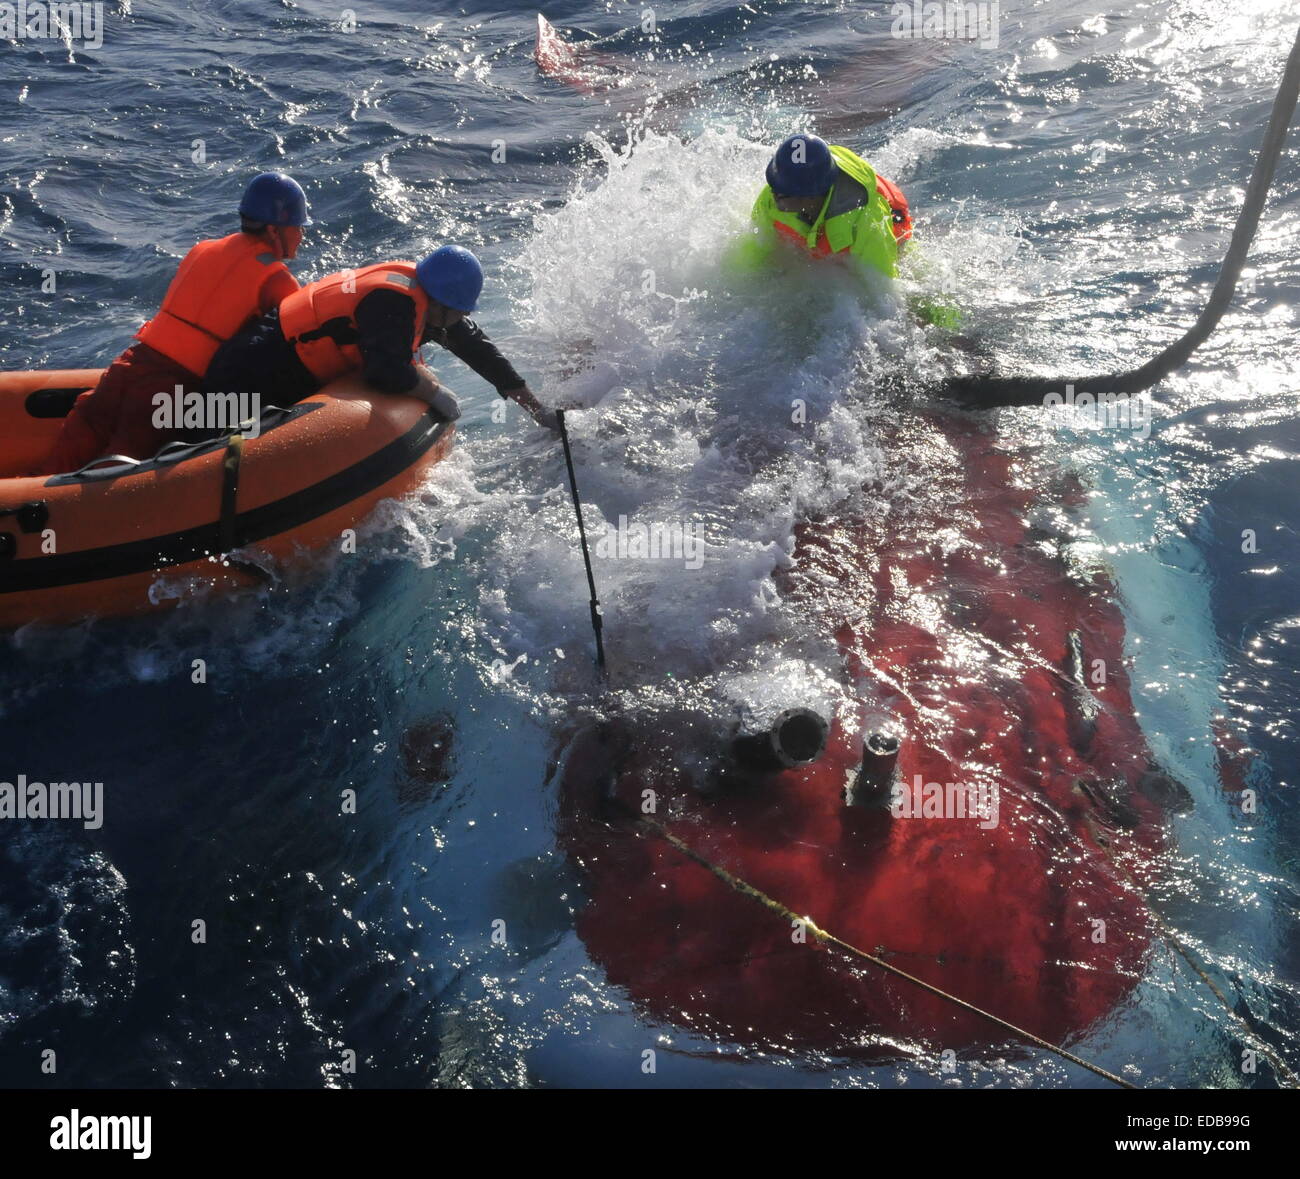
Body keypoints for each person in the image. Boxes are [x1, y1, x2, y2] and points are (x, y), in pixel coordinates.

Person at [38, 172, 310, 474]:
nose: (301, 235)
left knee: (63, 457)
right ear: (275, 229)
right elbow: (294, 342)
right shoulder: (276, 279)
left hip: (129, 365)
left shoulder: (203, 249)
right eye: (298, 227)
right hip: (171, 390)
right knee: (117, 474)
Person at [203, 244, 555, 429]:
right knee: (220, 445)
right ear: (444, 305)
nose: (461, 321)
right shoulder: (394, 303)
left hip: (280, 357)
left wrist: (537, 411)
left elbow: (477, 349)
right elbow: (384, 372)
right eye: (460, 313)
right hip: (255, 367)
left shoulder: (428, 296)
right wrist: (433, 391)